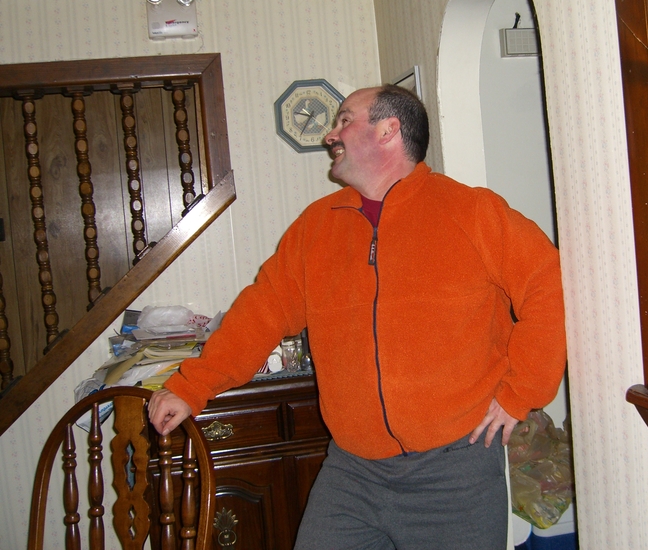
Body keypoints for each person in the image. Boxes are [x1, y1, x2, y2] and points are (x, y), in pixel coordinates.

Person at [149, 84, 567, 549]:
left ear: (389, 130)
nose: (331, 134)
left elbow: (548, 284)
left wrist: (521, 392)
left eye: (345, 119)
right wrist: (191, 387)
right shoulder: (316, 227)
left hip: (455, 470)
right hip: (352, 472)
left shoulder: (472, 212)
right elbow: (260, 313)